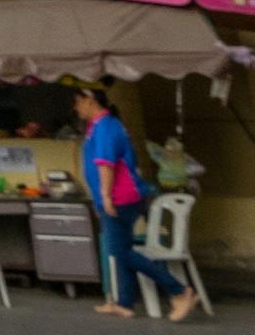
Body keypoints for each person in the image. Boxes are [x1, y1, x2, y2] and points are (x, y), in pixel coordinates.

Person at [74, 84, 195, 322]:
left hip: (120, 197)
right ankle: (124, 303)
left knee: (121, 252)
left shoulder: (107, 127)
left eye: (78, 102)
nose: (75, 108)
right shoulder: (97, 127)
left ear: (89, 101)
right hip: (117, 198)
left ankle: (179, 291)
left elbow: (106, 164)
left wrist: (106, 197)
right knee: (121, 249)